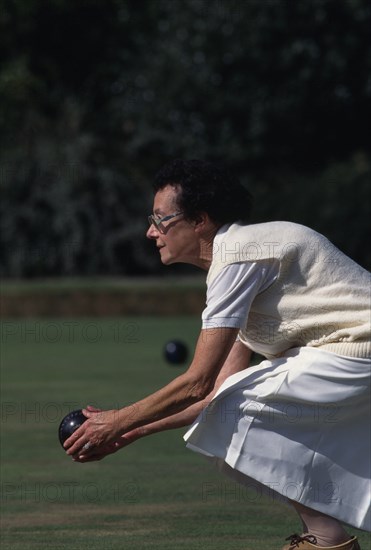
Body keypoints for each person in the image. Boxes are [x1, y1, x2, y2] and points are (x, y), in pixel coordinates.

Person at [64, 159, 370, 550]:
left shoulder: (239, 254)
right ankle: (325, 538)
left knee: (233, 412)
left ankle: (326, 540)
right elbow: (214, 396)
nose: (150, 232)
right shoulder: (238, 269)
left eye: (161, 220)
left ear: (200, 221)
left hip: (358, 349)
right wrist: (132, 430)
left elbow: (198, 382)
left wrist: (116, 421)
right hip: (350, 354)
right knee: (224, 419)